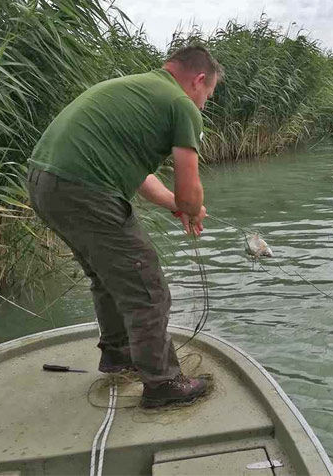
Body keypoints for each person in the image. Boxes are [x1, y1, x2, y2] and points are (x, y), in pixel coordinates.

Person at [27, 45, 223, 408]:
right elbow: (188, 187)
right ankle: (163, 384)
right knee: (146, 284)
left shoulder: (136, 87)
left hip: (45, 183)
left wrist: (177, 207)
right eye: (207, 96)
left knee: (107, 276)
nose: (203, 105)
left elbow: (144, 178)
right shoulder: (181, 104)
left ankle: (119, 356)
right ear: (198, 80)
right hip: (83, 188)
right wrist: (191, 209)